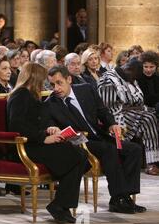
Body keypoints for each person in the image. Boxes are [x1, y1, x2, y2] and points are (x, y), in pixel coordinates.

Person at [46, 66, 145, 214]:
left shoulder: (86, 89)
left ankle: (125, 197)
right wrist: (52, 128)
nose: (56, 88)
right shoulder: (50, 103)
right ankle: (118, 198)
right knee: (108, 149)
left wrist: (111, 124)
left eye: (59, 83)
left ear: (69, 79)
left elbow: (102, 111)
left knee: (134, 150)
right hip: (79, 141)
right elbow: (48, 123)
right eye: (52, 85)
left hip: (99, 135)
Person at [6, 62, 88, 224]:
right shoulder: (20, 94)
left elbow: (34, 122)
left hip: (35, 142)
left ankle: (60, 205)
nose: (45, 83)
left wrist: (49, 129)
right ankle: (60, 206)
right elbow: (17, 126)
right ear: (35, 78)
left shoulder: (30, 94)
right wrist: (43, 137)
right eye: (43, 79)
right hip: (25, 146)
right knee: (78, 156)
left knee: (80, 155)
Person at [98, 59, 159, 175]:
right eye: (134, 77)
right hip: (115, 117)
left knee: (151, 117)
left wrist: (145, 110)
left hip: (133, 112)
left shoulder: (129, 77)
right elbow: (109, 109)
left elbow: (139, 101)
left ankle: (152, 162)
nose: (135, 80)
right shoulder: (108, 80)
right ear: (128, 70)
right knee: (148, 118)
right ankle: (147, 162)